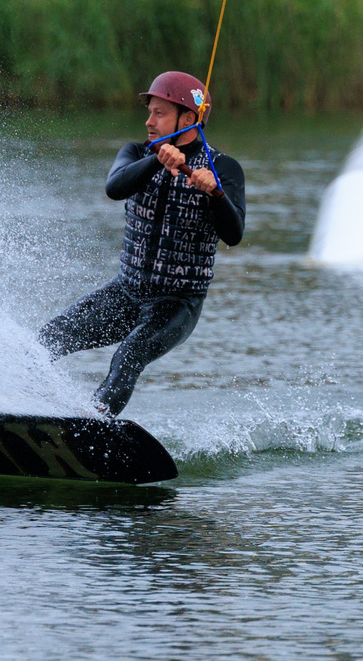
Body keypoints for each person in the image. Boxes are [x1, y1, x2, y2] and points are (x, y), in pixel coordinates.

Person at [40, 71, 246, 418]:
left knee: (128, 356)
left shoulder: (224, 168)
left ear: (188, 118)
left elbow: (234, 234)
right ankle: (22, 409)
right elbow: (114, 188)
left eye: (159, 113)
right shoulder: (137, 152)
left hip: (176, 305)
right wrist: (157, 160)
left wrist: (216, 194)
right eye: (149, 111)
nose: (148, 121)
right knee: (46, 340)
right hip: (126, 293)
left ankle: (93, 424)